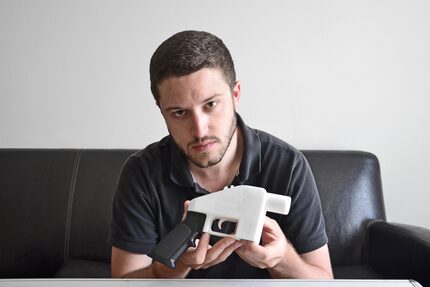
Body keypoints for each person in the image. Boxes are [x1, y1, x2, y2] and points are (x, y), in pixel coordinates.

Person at [110, 30, 333, 279]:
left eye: (211, 105)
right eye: (179, 113)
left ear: (235, 94)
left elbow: (324, 281)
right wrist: (178, 265)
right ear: (161, 110)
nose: (200, 130)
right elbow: (123, 282)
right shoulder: (142, 172)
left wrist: (281, 260)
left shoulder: (288, 165)